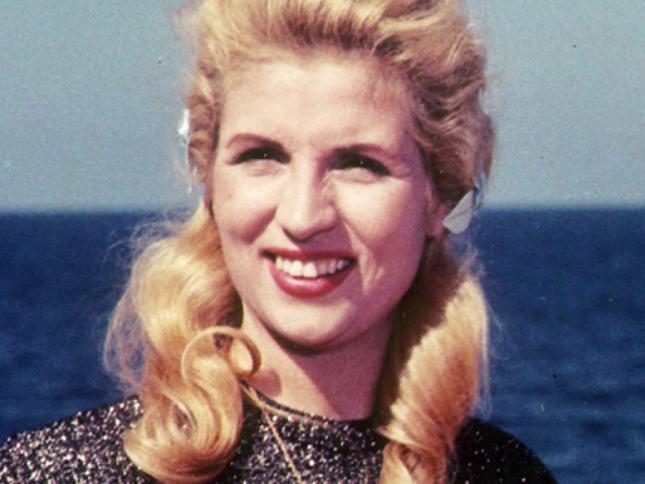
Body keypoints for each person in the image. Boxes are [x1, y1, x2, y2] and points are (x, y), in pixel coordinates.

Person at [1, 0, 556, 482]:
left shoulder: (502, 474)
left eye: (358, 163)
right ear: (209, 181)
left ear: (439, 196)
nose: (302, 216)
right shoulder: (53, 471)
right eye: (262, 156)